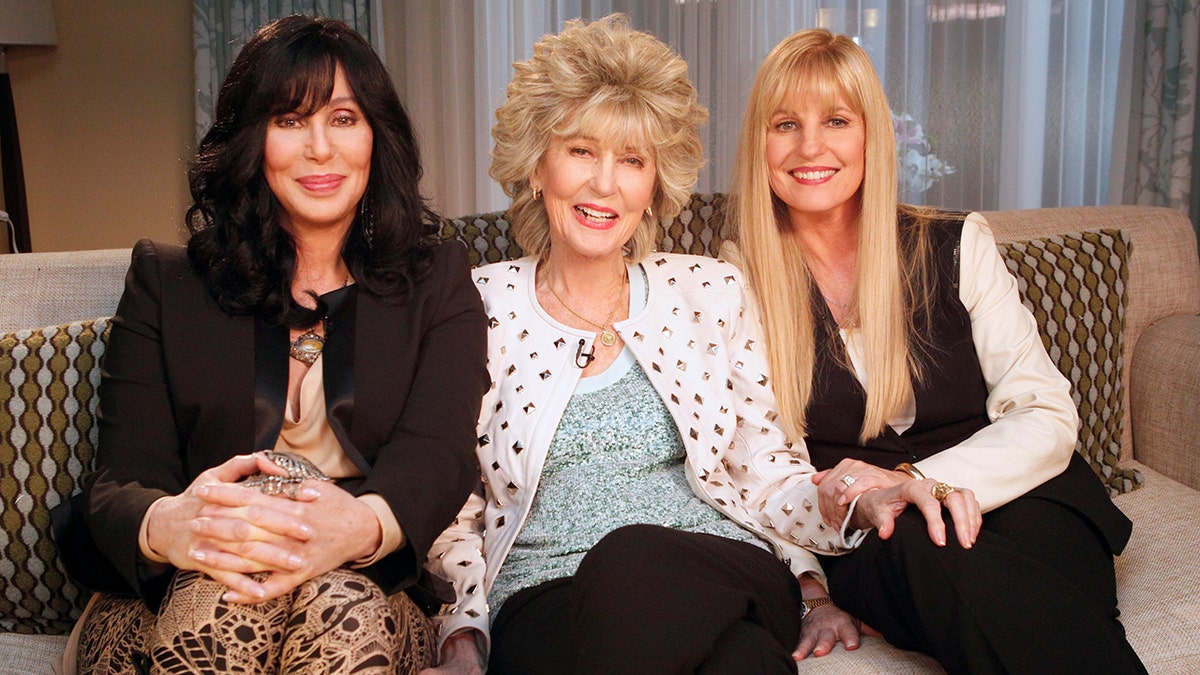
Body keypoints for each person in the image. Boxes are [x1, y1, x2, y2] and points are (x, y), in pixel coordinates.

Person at [422, 15, 876, 675]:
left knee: (632, 555)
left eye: (631, 160)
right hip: (546, 595)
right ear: (537, 166)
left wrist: (812, 584)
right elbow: (453, 504)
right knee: (741, 661)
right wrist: (462, 633)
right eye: (581, 151)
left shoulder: (709, 289)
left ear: (654, 183)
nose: (605, 184)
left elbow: (765, 464)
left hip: (719, 572)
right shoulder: (476, 304)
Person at [53, 15, 488, 674]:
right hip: (187, 578)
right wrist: (170, 523)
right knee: (224, 603)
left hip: (362, 575)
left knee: (346, 610)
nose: (321, 148)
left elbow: (440, 451)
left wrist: (361, 523)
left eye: (343, 118)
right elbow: (122, 479)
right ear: (250, 140)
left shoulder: (437, 281)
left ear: (377, 136)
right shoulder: (167, 283)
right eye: (289, 120)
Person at [726, 28, 1146, 673]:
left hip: (1020, 492)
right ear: (761, 142)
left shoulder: (956, 243)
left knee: (1024, 587)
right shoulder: (734, 281)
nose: (811, 147)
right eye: (786, 124)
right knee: (919, 547)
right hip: (876, 529)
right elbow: (754, 464)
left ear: (872, 136)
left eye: (837, 120)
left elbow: (1045, 413)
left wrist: (916, 482)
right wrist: (809, 589)